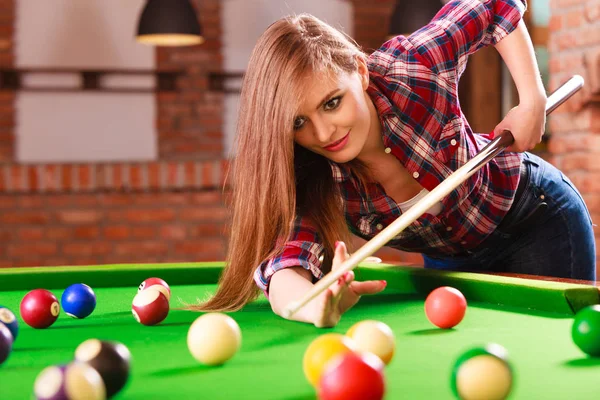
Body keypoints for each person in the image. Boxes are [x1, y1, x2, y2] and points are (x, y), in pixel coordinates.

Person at [190, 0, 596, 327]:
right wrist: (314, 306)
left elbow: (492, 6)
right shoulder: (311, 172)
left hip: (535, 218)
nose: (324, 133)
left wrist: (532, 99)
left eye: (332, 103)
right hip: (451, 259)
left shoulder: (412, 67)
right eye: (299, 123)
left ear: (360, 72)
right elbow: (284, 269)